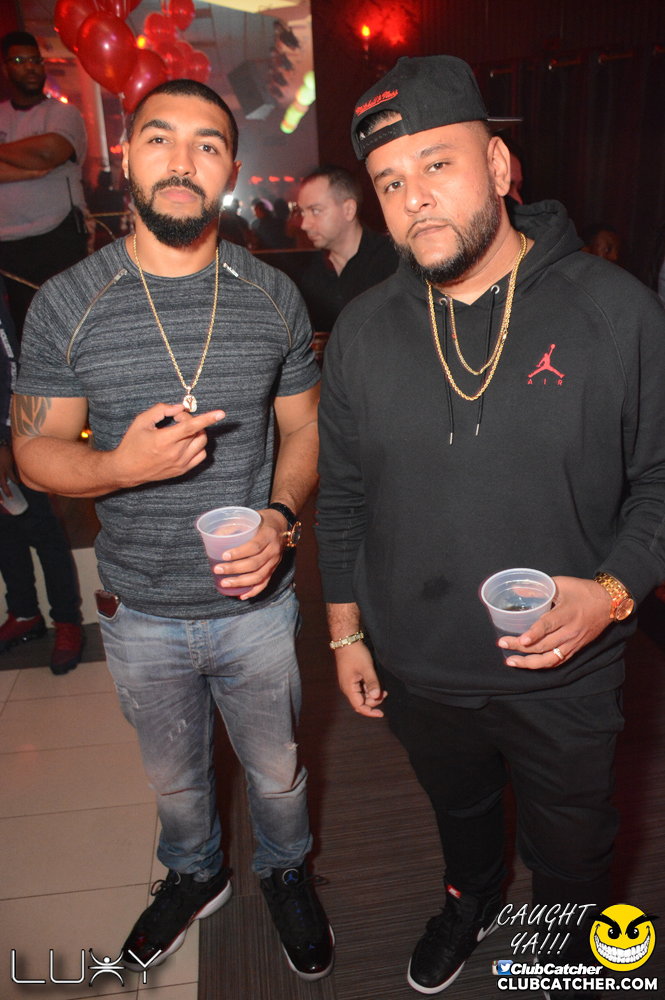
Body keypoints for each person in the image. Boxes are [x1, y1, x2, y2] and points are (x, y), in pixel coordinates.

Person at [315, 55, 665, 996]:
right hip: (419, 667)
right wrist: (345, 631)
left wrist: (613, 593)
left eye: (438, 164)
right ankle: (467, 901)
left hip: (566, 671)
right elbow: (341, 495)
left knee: (572, 854)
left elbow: (659, 482)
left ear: (500, 167)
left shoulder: (617, 312)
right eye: (390, 181)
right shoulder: (361, 332)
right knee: (461, 813)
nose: (415, 198)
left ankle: (558, 960)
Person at [12, 78, 333, 982]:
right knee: (175, 778)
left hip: (256, 604)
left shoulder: (272, 295)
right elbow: (33, 452)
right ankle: (195, 875)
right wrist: (119, 466)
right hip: (140, 607)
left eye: (207, 144)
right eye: (160, 138)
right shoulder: (68, 300)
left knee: (276, 770)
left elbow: (305, 427)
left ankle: (284, 870)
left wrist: (280, 518)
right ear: (126, 158)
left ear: (231, 169)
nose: (183, 161)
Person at [0, 273, 83, 674]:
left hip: (10, 435)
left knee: (41, 529)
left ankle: (67, 621)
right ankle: (24, 613)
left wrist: (5, 439)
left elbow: (10, 363)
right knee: (3, 532)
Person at [0, 31, 89, 336]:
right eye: (20, 60)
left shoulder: (63, 114)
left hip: (58, 237)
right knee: (22, 335)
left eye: (36, 60)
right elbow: (39, 160)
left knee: (68, 330)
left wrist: (31, 159)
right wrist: (30, 169)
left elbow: (49, 153)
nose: (30, 67)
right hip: (6, 246)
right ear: (5, 68)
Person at [298, 165, 398, 332]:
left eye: (315, 211)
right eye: (302, 213)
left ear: (349, 210)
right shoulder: (312, 277)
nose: (304, 224)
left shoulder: (393, 262)